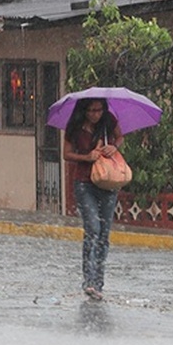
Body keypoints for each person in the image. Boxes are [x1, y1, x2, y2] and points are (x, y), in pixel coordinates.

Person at [63, 98, 123, 301]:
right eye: (91, 110)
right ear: (84, 110)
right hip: (84, 183)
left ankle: (98, 283)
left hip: (107, 182)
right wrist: (87, 157)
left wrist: (113, 147)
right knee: (93, 229)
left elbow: (120, 138)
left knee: (104, 234)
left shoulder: (109, 122)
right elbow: (67, 154)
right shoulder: (75, 127)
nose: (95, 114)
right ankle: (88, 280)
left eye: (99, 110)